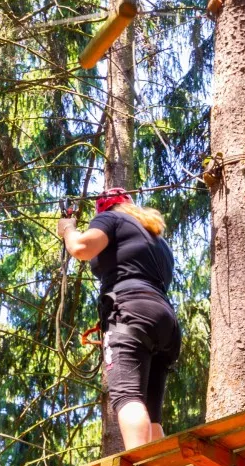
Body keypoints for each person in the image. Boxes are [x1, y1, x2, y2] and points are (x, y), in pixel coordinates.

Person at [57, 188, 181, 450]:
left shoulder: (111, 218)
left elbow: (81, 247)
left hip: (130, 313)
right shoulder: (158, 241)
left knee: (127, 396)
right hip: (164, 321)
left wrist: (69, 228)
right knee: (152, 413)